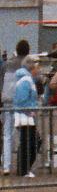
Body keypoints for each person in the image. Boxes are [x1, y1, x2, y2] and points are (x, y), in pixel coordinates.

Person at [1, 39, 26, 174]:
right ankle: (23, 166)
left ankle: (6, 166)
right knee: (23, 134)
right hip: (23, 105)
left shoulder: (6, 64)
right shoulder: (27, 65)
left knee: (7, 135)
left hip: (7, 102)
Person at [12, 63, 40, 178]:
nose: (38, 71)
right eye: (37, 68)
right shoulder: (26, 81)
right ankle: (24, 169)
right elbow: (22, 99)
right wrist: (30, 110)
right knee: (30, 142)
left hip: (25, 116)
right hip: (25, 116)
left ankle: (23, 168)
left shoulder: (25, 80)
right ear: (32, 69)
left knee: (27, 142)